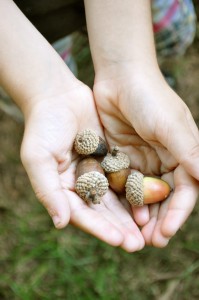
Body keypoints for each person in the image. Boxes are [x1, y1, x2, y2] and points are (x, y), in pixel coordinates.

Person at [0, 0, 198, 252]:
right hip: (23, 33)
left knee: (171, 30)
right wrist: (41, 93)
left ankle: (162, 73)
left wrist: (130, 70)